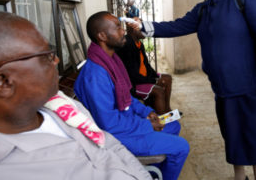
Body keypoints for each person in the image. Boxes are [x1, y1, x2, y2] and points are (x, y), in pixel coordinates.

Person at [132, 0, 256, 180]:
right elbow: (177, 26)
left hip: (252, 88)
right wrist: (143, 26)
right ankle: (239, 177)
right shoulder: (206, 7)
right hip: (223, 89)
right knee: (233, 137)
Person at [0, 11, 152, 180]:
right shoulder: (8, 169)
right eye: (45, 56)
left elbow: (112, 146)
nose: (57, 60)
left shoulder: (63, 107)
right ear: (4, 82)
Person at [74, 11, 189, 180]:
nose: (123, 32)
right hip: (117, 135)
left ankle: (150, 174)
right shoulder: (95, 75)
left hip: (127, 123)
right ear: (102, 36)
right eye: (118, 28)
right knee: (181, 147)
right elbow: (110, 124)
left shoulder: (111, 60)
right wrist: (146, 125)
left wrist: (146, 112)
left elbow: (126, 97)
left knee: (173, 125)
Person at [117, 25, 172, 114]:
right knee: (159, 91)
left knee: (167, 78)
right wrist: (153, 80)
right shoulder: (127, 45)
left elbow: (146, 64)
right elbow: (132, 75)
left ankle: (167, 109)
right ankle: (162, 120)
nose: (146, 32)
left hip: (143, 76)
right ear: (134, 30)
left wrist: (155, 76)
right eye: (143, 29)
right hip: (134, 83)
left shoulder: (139, 44)